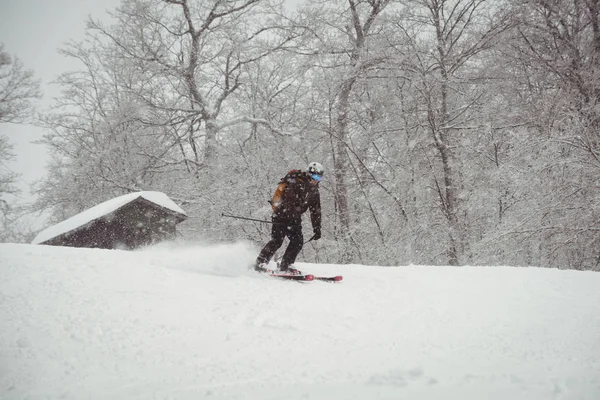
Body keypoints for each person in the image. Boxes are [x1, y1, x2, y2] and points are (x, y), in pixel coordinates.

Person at [254, 162, 324, 274]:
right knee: (277, 240)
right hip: (281, 216)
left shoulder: (314, 191)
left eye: (319, 177)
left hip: (294, 219)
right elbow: (288, 202)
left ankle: (286, 265)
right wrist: (290, 218)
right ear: (309, 174)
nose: (317, 180)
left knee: (298, 242)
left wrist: (317, 228)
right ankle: (260, 262)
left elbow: (316, 211)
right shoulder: (295, 183)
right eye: (315, 176)